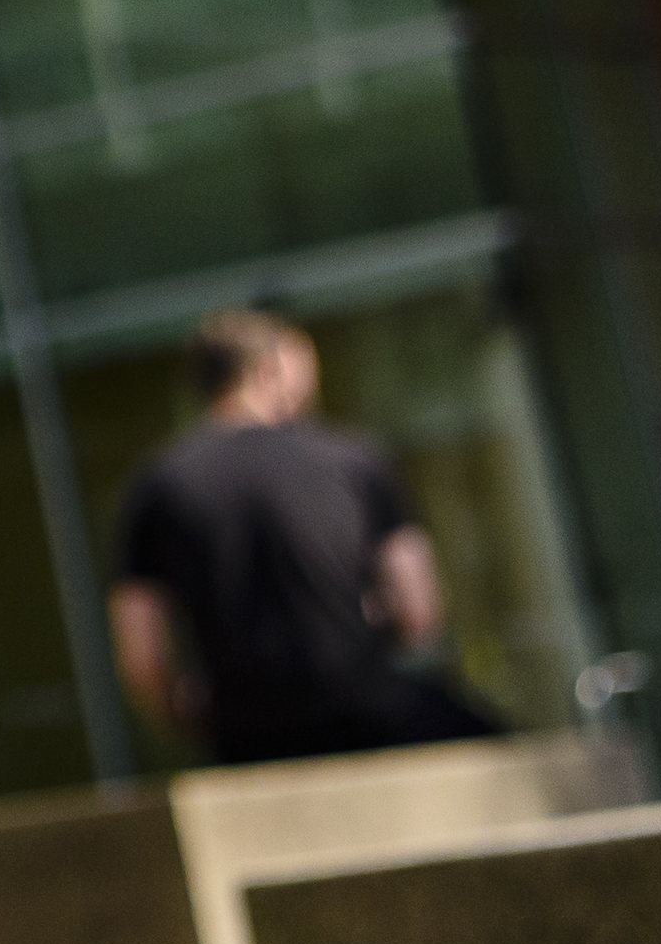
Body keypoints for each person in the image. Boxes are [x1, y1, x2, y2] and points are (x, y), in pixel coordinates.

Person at [106, 308, 505, 768]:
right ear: (270, 370)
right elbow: (419, 611)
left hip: (247, 739)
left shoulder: (157, 486)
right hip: (371, 717)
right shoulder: (354, 460)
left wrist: (194, 721)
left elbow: (143, 659)